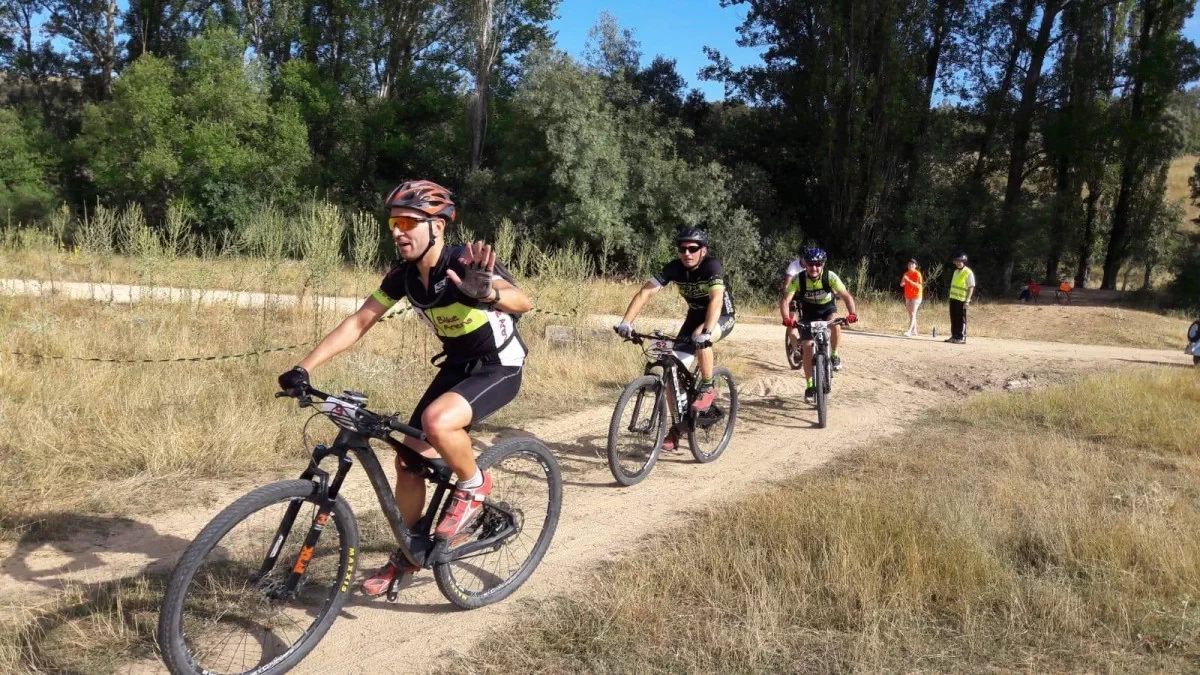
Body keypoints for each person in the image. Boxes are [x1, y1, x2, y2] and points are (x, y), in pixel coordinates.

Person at [276, 179, 532, 596]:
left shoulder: (464, 260)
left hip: (498, 365)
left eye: (409, 222)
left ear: (439, 226)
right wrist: (303, 368)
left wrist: (488, 293)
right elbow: (360, 321)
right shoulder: (404, 276)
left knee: (436, 422)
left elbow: (523, 301)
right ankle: (410, 554)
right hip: (457, 367)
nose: (397, 231)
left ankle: (474, 485)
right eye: (393, 222)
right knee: (409, 461)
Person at [615, 227, 736, 451]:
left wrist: (707, 332)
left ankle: (708, 387)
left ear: (703, 250)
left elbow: (716, 300)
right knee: (671, 372)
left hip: (721, 316)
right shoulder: (674, 267)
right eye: (682, 248)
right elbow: (645, 292)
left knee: (700, 336)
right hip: (693, 318)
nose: (687, 253)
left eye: (693, 248)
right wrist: (626, 322)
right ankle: (678, 426)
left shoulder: (712, 266)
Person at [779, 247, 858, 403]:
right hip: (808, 313)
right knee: (807, 347)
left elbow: (846, 296)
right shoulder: (799, 279)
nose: (814, 268)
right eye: (810, 264)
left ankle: (834, 355)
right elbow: (785, 300)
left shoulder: (830, 277)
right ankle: (810, 386)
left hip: (827, 310)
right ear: (805, 265)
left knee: (835, 323)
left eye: (818, 264)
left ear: (823, 265)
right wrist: (787, 318)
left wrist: (852, 314)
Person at [947, 252, 975, 344]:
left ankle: (961, 337)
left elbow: (971, 287)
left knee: (960, 319)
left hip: (962, 299)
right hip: (953, 298)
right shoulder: (955, 272)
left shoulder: (968, 272)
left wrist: (967, 301)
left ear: (963, 261)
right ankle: (954, 336)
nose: (958, 263)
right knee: (953, 318)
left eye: (960, 261)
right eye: (956, 261)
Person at [901, 258, 923, 337]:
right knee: (911, 313)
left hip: (916, 296)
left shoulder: (917, 274)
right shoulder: (906, 274)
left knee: (913, 312)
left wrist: (909, 281)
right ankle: (914, 331)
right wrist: (903, 283)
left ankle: (909, 331)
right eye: (909, 264)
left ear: (915, 266)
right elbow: (902, 283)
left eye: (912, 264)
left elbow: (919, 285)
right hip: (908, 295)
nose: (910, 266)